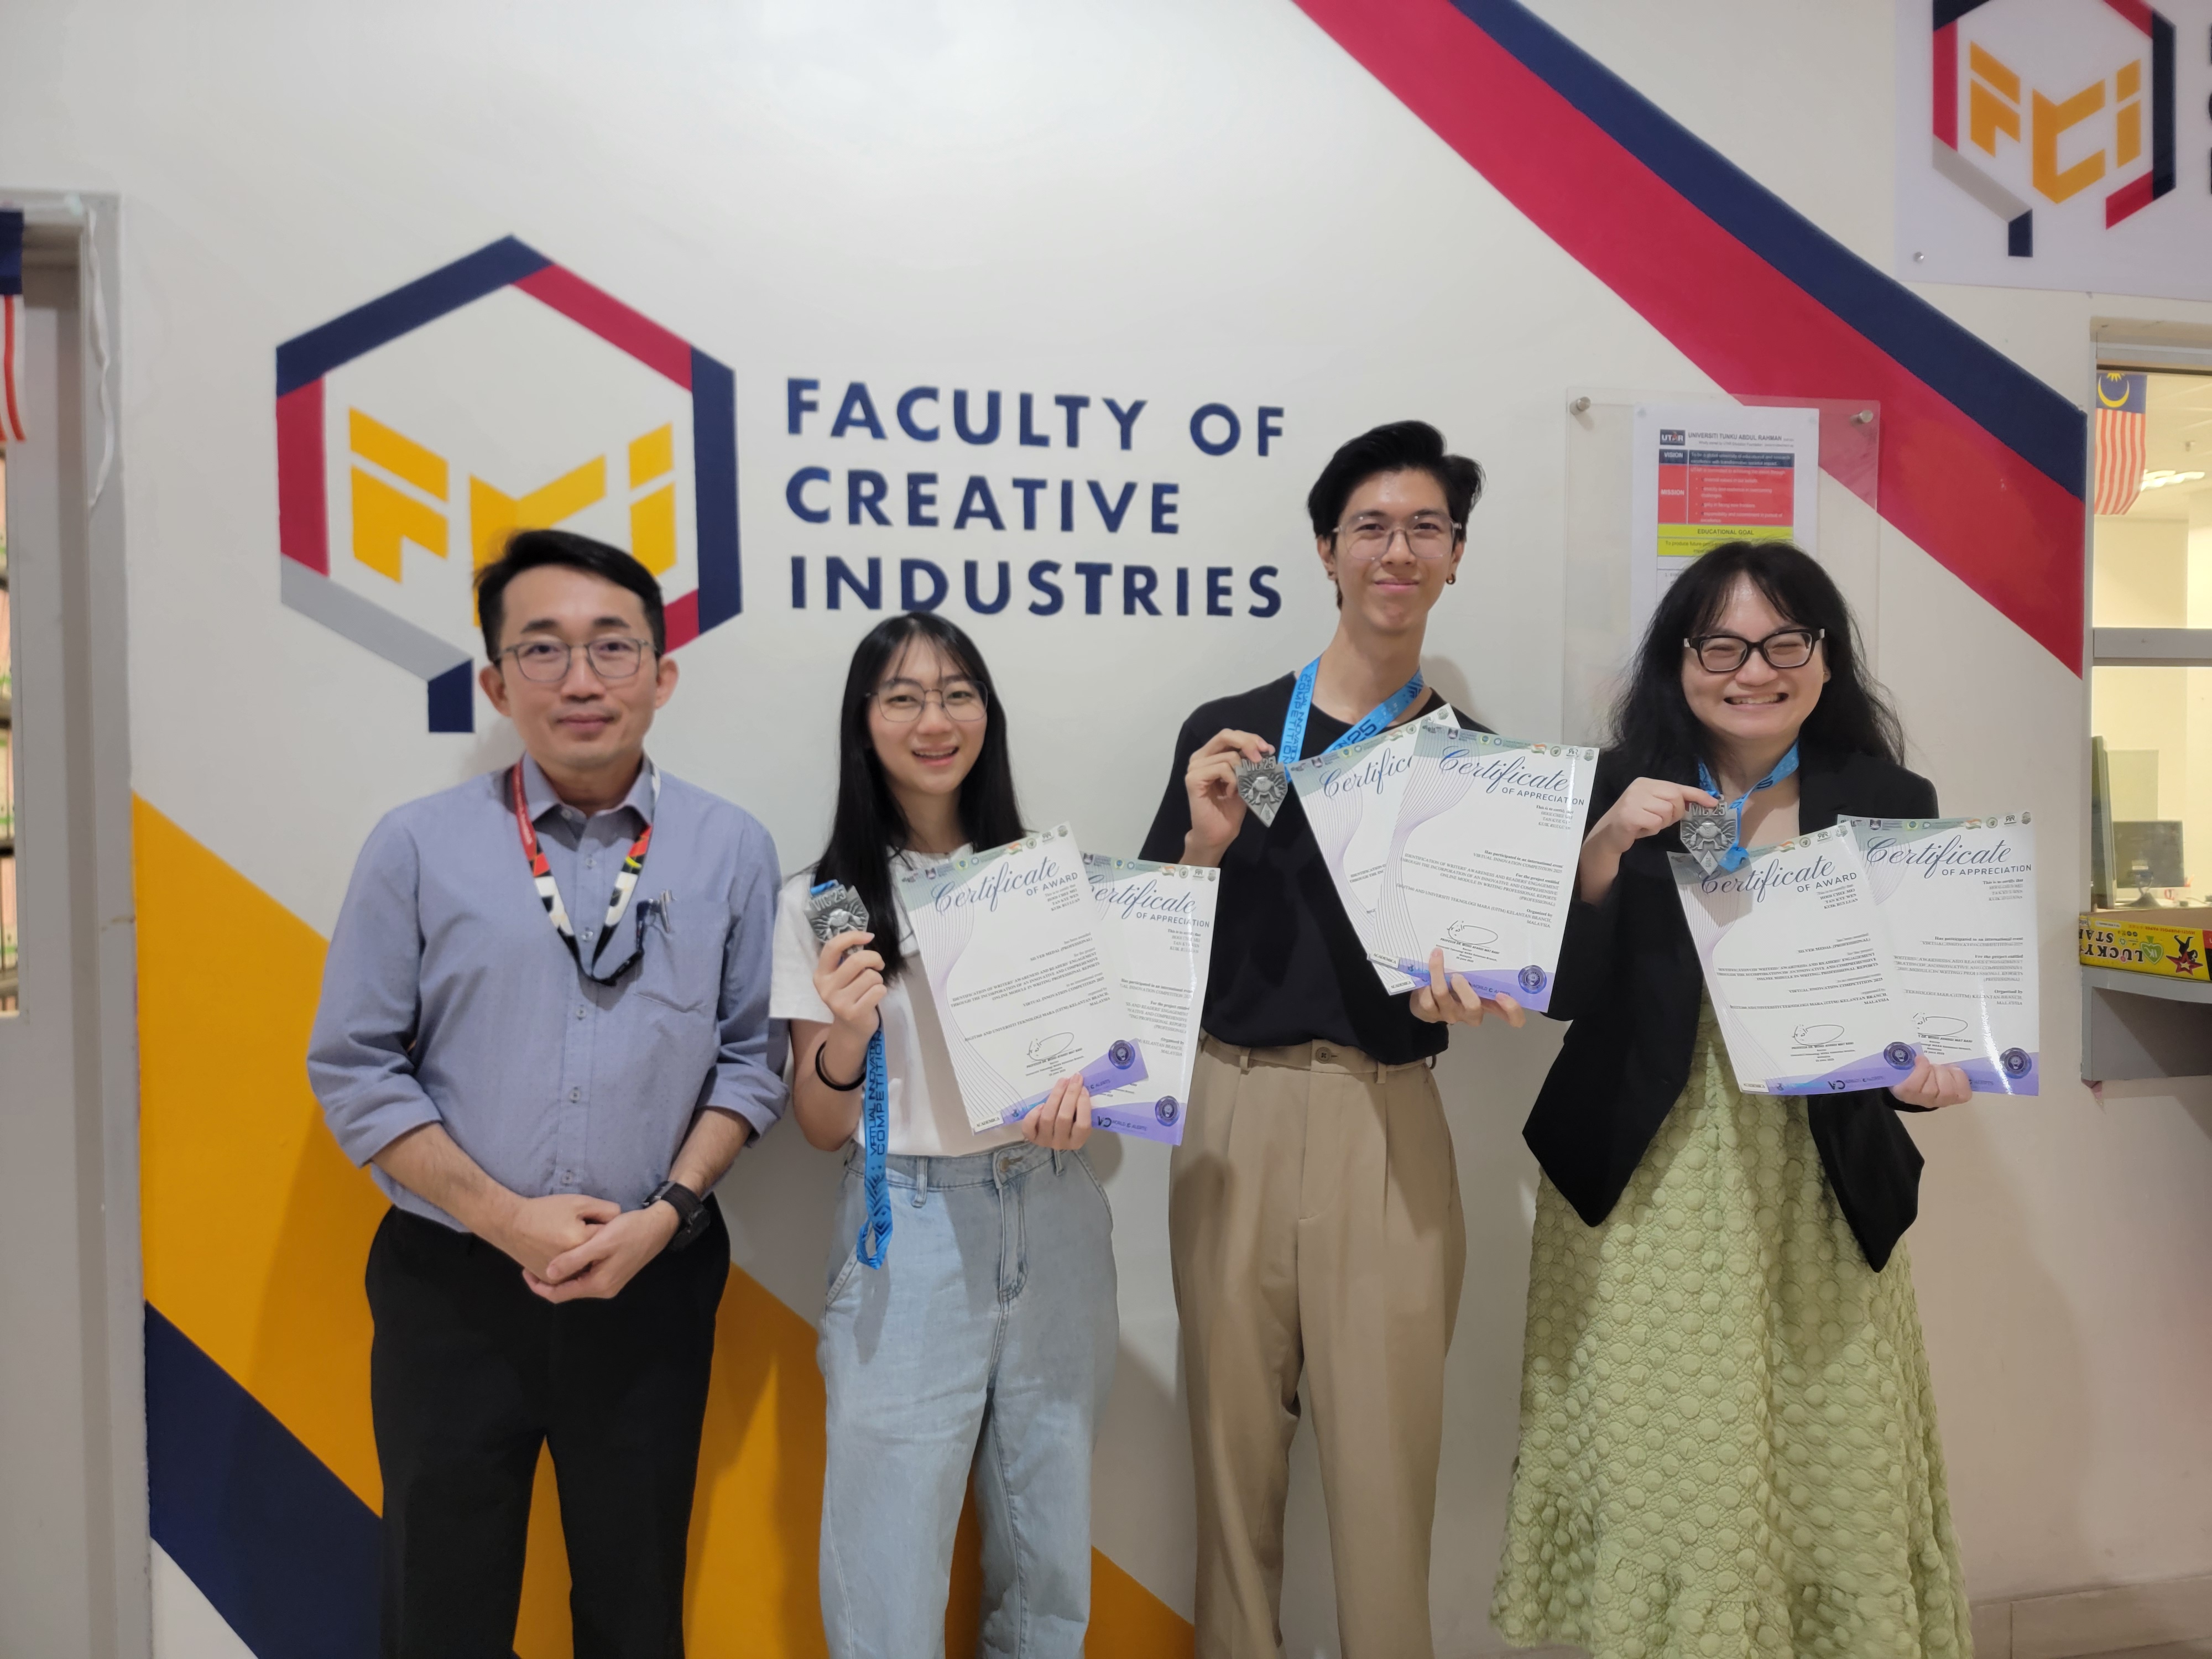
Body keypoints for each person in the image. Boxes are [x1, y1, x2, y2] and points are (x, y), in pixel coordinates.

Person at [306, 529, 786, 1659]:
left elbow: (750, 1058)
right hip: (453, 1289)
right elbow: (357, 1068)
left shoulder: (730, 850)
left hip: (651, 1280)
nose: (580, 680)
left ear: (661, 677)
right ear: (493, 683)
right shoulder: (415, 849)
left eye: (612, 647)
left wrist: (665, 1212)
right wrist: (503, 1216)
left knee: (634, 1608)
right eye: (543, 649)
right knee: (444, 1604)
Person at [1490, 541, 1973, 1659]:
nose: (1749, 669)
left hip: (1815, 1183)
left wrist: (1931, 1075)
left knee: (1825, 1449)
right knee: (1670, 1457)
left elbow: (1920, 1009)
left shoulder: (1885, 800)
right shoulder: (1613, 789)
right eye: (1719, 644)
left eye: (1780, 643)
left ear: (1821, 657)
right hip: (1645, 1172)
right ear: (1678, 659)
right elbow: (1558, 990)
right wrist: (1606, 849)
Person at [1140, 420, 1521, 1658]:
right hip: (1232, 1114)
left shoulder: (1469, 767)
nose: (1396, 550)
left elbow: (1469, 964)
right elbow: (1145, 953)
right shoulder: (1231, 732)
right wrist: (1198, 846)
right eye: (1370, 526)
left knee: (1383, 1490)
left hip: (1385, 1120)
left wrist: (1453, 997)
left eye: (1424, 528)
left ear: (1454, 556)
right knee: (1228, 1478)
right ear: (1326, 549)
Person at [770, 612, 1114, 1658]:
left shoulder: (1045, 881)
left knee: (1048, 1551)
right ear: (863, 722)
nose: (935, 719)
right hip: (905, 1227)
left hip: (1054, 1216)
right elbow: (823, 1126)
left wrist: (1089, 1097)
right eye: (904, 696)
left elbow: (1106, 1079)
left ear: (987, 715)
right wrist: (844, 1031)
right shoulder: (821, 902)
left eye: (958, 692)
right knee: (888, 1559)